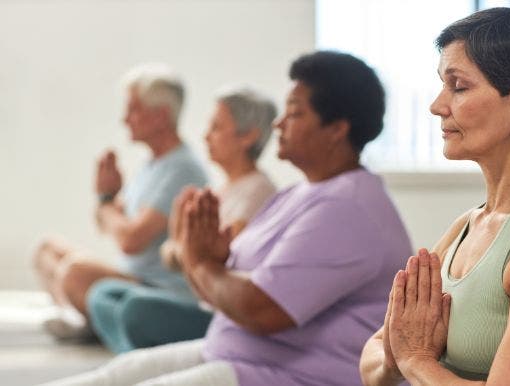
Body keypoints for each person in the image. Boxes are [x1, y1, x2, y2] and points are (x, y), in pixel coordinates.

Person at [43, 50, 412, 386]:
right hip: (233, 351)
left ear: (337, 129)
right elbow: (221, 285)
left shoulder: (345, 208)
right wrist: (206, 257)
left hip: (289, 375)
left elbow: (259, 309)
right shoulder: (298, 194)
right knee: (111, 377)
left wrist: (198, 259)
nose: (279, 124)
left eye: (295, 113)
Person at [360, 8, 510, 386]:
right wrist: (398, 357)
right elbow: (373, 358)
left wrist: (415, 360)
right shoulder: (467, 226)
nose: (437, 105)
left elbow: (405, 355)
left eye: (458, 87)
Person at [86, 87, 278, 353]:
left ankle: (138, 359)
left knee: (136, 309)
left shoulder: (257, 193)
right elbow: (177, 253)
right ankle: (137, 357)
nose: (205, 136)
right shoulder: (220, 191)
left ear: (248, 136)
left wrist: (183, 244)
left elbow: (219, 260)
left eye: (216, 127)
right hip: (196, 300)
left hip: (219, 312)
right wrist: (180, 236)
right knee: (102, 294)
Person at [32, 63, 208, 339]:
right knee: (47, 249)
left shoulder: (183, 169)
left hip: (157, 291)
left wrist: (106, 205)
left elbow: (130, 241)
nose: (125, 119)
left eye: (133, 109)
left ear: (161, 116)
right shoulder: (151, 165)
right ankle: (83, 319)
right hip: (130, 276)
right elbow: (108, 224)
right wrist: (107, 196)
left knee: (76, 271)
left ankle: (86, 322)